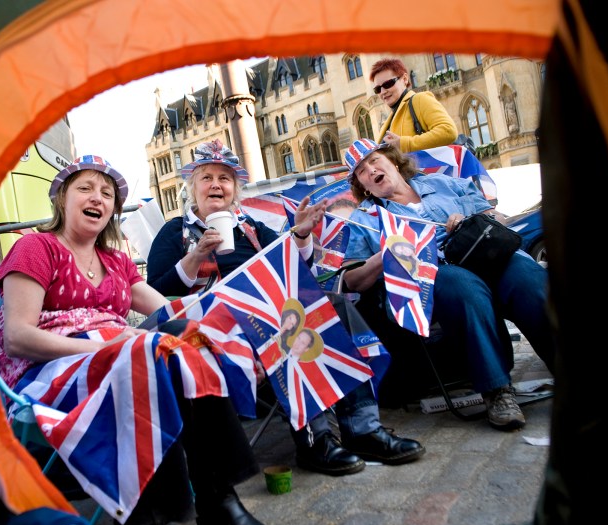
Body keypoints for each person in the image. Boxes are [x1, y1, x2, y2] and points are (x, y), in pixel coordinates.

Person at [0, 154, 277, 525]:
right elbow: (18, 338)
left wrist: (230, 344)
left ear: (112, 209)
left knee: (184, 336)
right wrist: (106, 344)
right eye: (86, 188)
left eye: (107, 193)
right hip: (51, 370)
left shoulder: (115, 262)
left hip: (120, 355)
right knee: (146, 351)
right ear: (62, 198)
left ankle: (218, 501)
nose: (98, 198)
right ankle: (144, 518)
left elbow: (171, 310)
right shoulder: (36, 248)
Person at [147, 140, 425, 473]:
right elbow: (157, 297)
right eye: (207, 177)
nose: (216, 184)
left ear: (235, 190)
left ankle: (362, 429)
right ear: (193, 187)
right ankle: (315, 439)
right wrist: (195, 256)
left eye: (225, 178)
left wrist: (303, 235)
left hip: (269, 315)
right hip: (210, 329)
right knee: (287, 319)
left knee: (333, 306)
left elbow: (296, 270)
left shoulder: (251, 228)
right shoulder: (173, 233)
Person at [340, 138, 555, 431]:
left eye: (375, 160)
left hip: (482, 256)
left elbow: (497, 219)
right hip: (430, 277)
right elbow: (351, 280)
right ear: (364, 186)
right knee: (464, 287)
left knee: (526, 276)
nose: (371, 170)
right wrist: (386, 253)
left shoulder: (443, 184)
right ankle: (497, 391)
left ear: (392, 160)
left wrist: (471, 220)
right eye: (362, 171)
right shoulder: (364, 219)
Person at [370, 57, 457, 153]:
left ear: (405, 79)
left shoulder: (419, 99)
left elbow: (448, 131)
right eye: (377, 89)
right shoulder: (387, 122)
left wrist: (405, 144)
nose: (383, 92)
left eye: (388, 84)